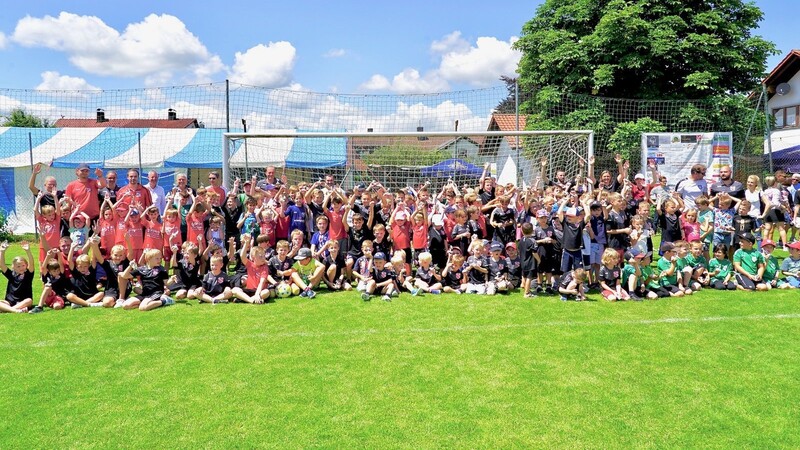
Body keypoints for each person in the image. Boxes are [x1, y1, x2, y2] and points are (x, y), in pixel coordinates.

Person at [0, 241, 34, 313]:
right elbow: (2, 265)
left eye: (23, 265)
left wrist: (28, 251)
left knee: (29, 300)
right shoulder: (11, 275)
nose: (21, 268)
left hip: (24, 302)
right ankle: (15, 310)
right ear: (13, 267)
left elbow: (32, 263)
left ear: (26, 265)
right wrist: (2, 252)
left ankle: (8, 309)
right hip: (9, 302)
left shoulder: (28, 275)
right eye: (18, 266)